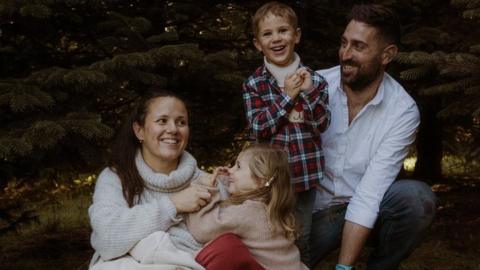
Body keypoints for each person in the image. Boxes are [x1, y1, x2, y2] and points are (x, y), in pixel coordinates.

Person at [310, 4, 437, 270]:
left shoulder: (402, 110)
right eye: (343, 43)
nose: (345, 54)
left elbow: (371, 192)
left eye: (358, 47)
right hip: (310, 213)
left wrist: (343, 267)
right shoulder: (315, 86)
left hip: (366, 205)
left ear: (387, 54)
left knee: (416, 199)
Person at [88, 91, 263, 270]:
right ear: (139, 130)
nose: (173, 129)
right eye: (162, 121)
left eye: (181, 122)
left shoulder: (209, 184)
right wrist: (173, 205)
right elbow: (107, 239)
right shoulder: (116, 178)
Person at [242, 1, 330, 264]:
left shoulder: (316, 81)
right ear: (258, 43)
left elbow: (322, 124)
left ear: (297, 36)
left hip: (303, 179)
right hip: (267, 181)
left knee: (300, 236)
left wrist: (309, 92)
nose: (276, 39)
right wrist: (287, 96)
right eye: (267, 34)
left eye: (283, 31)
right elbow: (259, 128)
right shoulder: (255, 84)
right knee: (267, 234)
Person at [186, 143, 308, 270]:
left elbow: (203, 230)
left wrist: (207, 188)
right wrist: (224, 180)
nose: (230, 170)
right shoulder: (273, 207)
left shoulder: (251, 212)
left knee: (225, 245)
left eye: (238, 166)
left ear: (260, 181)